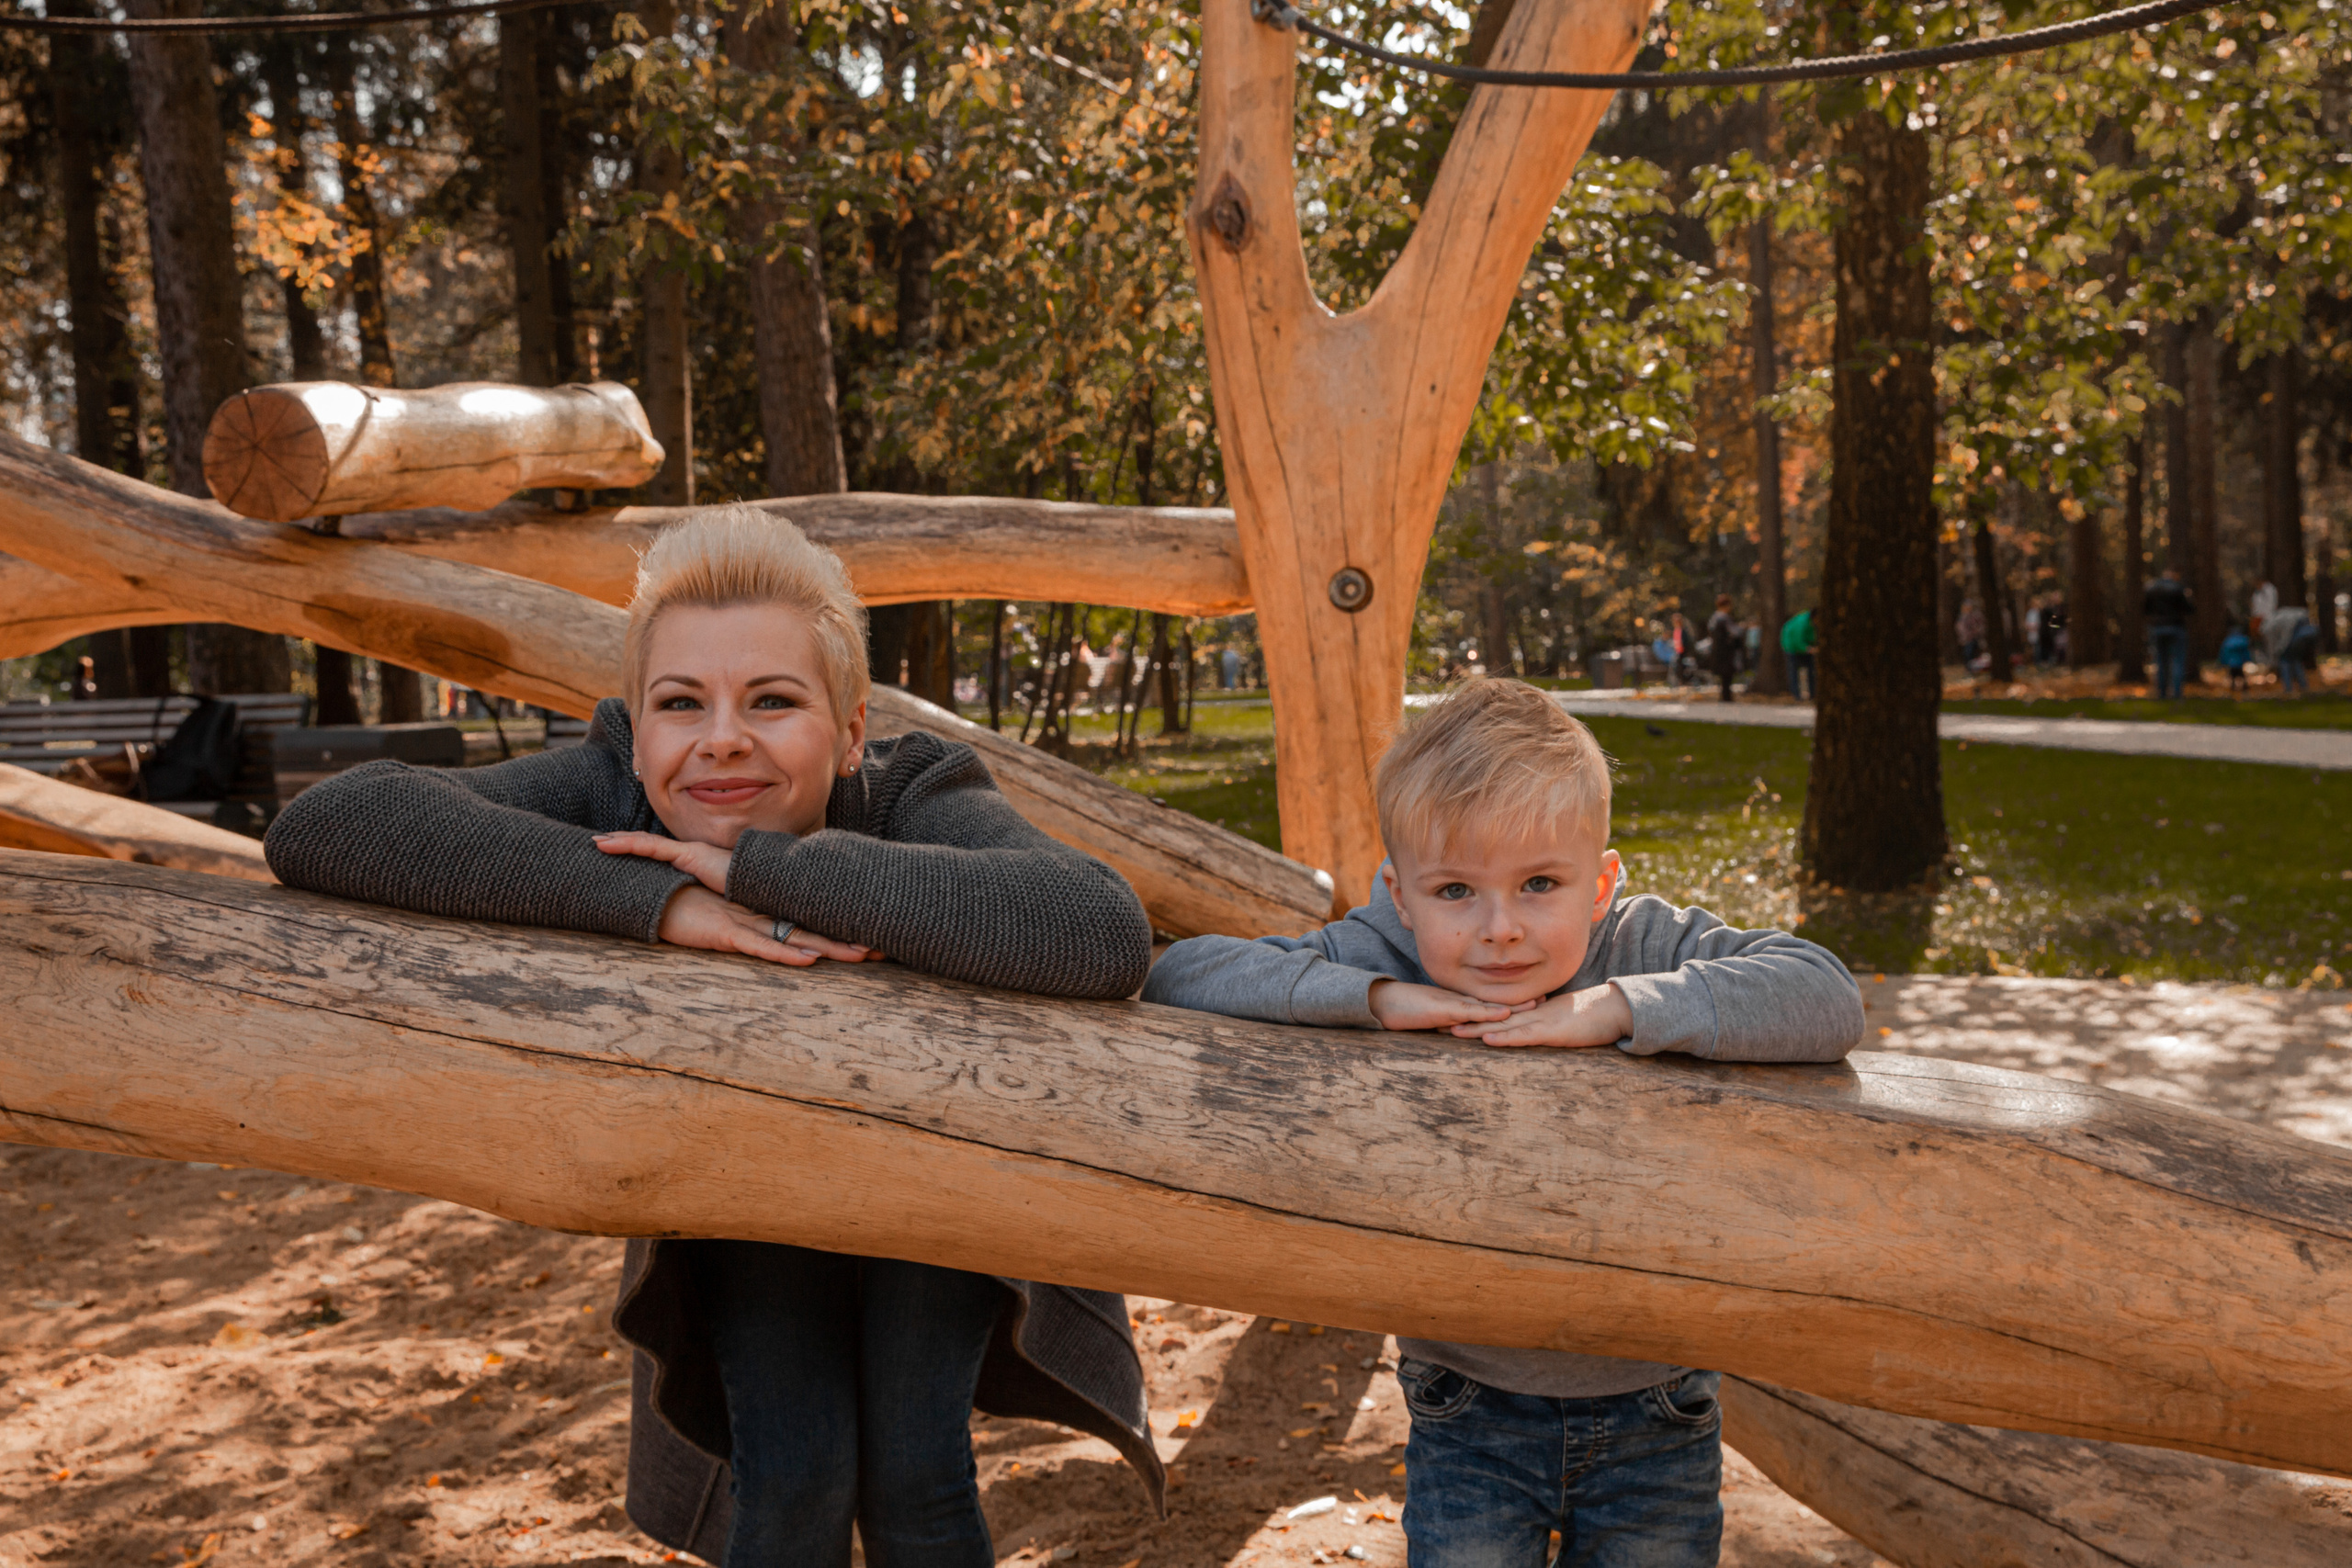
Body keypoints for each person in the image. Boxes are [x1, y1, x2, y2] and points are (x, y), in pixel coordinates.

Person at [264, 508, 1162, 1565]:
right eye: (680, 703)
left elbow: (1097, 927)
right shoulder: (616, 786)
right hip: (741, 1186)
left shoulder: (911, 790)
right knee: (792, 1475)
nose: (722, 736)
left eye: (773, 702)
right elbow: (328, 823)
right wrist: (658, 903)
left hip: (938, 1174)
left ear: (853, 730)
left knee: (918, 1474)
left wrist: (755, 870)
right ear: (636, 729)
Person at [1142, 679, 1864, 1568]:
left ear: (1597, 883)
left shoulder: (1638, 944)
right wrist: (1378, 995)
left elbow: (1825, 993)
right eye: (1455, 890)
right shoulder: (1387, 947)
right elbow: (1186, 975)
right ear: (1400, 895)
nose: (1500, 930)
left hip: (1656, 1398)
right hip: (1467, 1401)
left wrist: (1616, 1007)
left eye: (1538, 885)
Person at [2144, 569, 2194, 700]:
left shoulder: (2151, 588)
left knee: (2160, 661)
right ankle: (2177, 693)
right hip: (2176, 627)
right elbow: (2189, 609)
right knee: (2177, 661)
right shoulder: (2178, 588)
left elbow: (2145, 608)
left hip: (2157, 628)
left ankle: (2162, 692)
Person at [2268, 604, 2317, 697]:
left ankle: (2288, 688)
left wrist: (2278, 651)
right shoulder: (2295, 615)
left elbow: (2280, 639)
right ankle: (2303, 686)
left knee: (2285, 662)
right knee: (2296, 661)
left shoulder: (2271, 624)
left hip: (2290, 643)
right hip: (2297, 642)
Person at [1705, 593, 1740, 704]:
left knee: (1724, 677)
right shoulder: (1724, 619)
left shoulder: (1713, 618)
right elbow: (1735, 633)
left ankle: (1725, 696)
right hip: (1725, 651)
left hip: (1717, 651)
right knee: (1727, 676)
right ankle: (1726, 698)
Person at [1780, 606, 1816, 701]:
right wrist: (1809, 649)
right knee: (1794, 672)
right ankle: (1796, 696)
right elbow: (1797, 641)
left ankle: (1813, 695)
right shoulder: (1802, 623)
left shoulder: (1813, 622)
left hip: (1805, 647)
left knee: (1811, 671)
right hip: (1792, 647)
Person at [2219, 623, 2253, 694]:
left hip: (2231, 663)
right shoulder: (2243, 641)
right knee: (2241, 675)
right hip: (2240, 663)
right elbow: (2246, 652)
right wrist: (2248, 659)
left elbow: (2224, 653)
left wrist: (2223, 662)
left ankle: (2233, 686)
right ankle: (2244, 686)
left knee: (2233, 675)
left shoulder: (2228, 641)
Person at [1955, 601, 1985, 671]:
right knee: (1968, 654)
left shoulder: (1976, 615)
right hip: (1967, 640)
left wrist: (1978, 631)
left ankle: (1978, 669)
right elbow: (1959, 628)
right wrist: (1965, 636)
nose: (1967, 608)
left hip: (1976, 638)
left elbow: (1982, 625)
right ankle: (1969, 669)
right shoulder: (1962, 617)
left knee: (1978, 654)